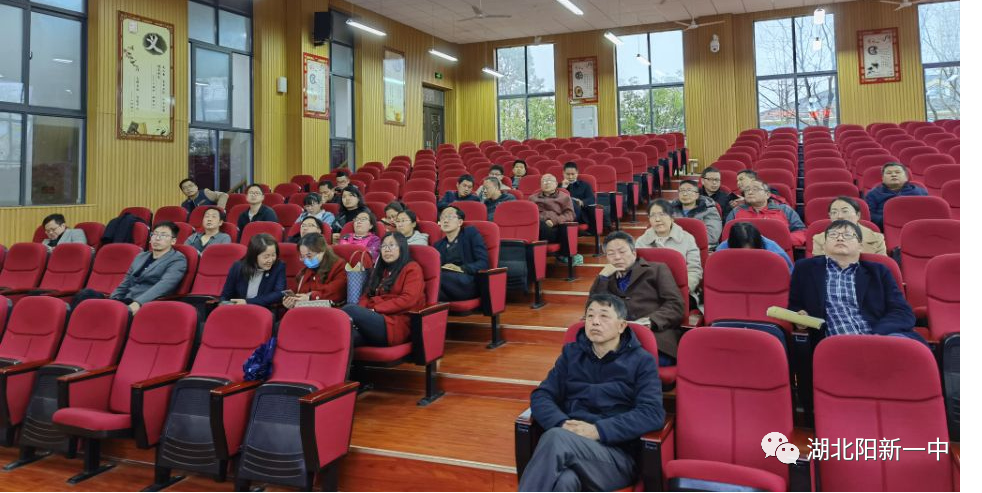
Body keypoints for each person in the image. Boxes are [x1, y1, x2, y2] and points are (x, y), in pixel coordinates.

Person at [519, 294, 664, 492]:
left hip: (616, 457)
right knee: (565, 482)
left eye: (604, 316)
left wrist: (597, 430)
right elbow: (541, 395)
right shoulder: (571, 354)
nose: (595, 321)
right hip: (570, 444)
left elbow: (652, 413)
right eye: (590, 316)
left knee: (555, 439)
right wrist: (562, 424)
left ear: (621, 326)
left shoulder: (642, 361)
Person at [789, 220, 923, 343]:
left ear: (860, 246)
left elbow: (901, 311)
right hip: (836, 342)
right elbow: (795, 306)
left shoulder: (879, 271)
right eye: (833, 235)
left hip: (883, 336)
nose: (840, 238)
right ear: (823, 246)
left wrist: (877, 337)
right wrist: (800, 317)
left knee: (906, 348)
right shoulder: (804, 269)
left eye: (847, 235)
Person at [589, 231, 685, 366]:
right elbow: (592, 308)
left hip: (654, 336)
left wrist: (650, 321)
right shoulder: (605, 278)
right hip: (616, 339)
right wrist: (602, 278)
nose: (617, 257)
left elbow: (676, 304)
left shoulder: (656, 269)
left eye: (622, 252)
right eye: (611, 254)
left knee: (616, 363)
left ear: (634, 253)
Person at [72, 222, 188, 313]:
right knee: (85, 295)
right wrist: (113, 300)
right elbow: (126, 282)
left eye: (163, 235)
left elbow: (163, 286)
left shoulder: (177, 259)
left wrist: (138, 303)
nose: (157, 238)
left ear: (173, 241)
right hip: (126, 300)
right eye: (155, 234)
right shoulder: (141, 256)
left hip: (147, 303)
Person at [341, 232, 426, 347]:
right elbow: (367, 295)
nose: (387, 249)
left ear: (402, 248)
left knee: (349, 309)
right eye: (384, 246)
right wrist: (364, 311)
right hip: (374, 320)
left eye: (391, 245)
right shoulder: (380, 269)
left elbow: (408, 300)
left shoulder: (412, 268)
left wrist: (375, 309)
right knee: (346, 336)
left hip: (395, 324)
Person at [636, 199, 702, 293]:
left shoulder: (687, 239)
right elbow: (638, 271)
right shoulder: (641, 242)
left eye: (662, 214)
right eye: (653, 215)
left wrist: (684, 288)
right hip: (650, 291)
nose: (657, 219)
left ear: (672, 217)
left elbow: (694, 270)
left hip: (680, 290)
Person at [725, 179, 806, 246]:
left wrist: (782, 241)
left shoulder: (784, 210)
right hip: (744, 252)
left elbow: (800, 231)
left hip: (777, 252)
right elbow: (727, 235)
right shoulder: (736, 211)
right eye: (747, 190)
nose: (750, 192)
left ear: (767, 194)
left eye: (755, 189)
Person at [434, 206, 489, 301]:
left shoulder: (470, 234)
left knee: (436, 279)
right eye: (442, 217)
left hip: (467, 282)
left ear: (460, 222)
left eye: (450, 217)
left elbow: (483, 263)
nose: (445, 221)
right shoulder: (438, 245)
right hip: (446, 284)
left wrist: (461, 268)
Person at [220, 233, 286, 308]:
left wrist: (247, 302)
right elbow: (226, 295)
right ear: (254, 255)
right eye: (266, 256)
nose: (270, 260)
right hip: (238, 309)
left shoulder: (278, 266)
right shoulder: (238, 267)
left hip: (264, 310)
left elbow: (279, 294)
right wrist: (224, 304)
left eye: (273, 255)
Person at [283, 233, 347, 308]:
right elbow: (298, 293)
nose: (306, 260)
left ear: (322, 251)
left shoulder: (339, 266)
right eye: (302, 256)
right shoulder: (305, 271)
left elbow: (336, 293)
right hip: (305, 310)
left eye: (309, 256)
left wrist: (310, 297)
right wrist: (291, 301)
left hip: (329, 311)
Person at [812, 196, 886, 256]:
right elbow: (819, 267)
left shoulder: (877, 239)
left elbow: (882, 266)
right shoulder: (819, 239)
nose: (839, 216)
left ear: (858, 215)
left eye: (845, 211)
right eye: (834, 212)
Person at [865, 162, 929, 229]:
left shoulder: (920, 192)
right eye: (889, 173)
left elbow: (927, 212)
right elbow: (870, 215)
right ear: (882, 178)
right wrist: (889, 221)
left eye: (898, 172)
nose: (893, 175)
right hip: (886, 228)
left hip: (917, 227)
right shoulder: (873, 194)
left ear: (906, 177)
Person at [716, 222, 794, 271]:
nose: (747, 257)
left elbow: (788, 275)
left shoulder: (775, 253)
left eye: (751, 251)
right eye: (742, 253)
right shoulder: (722, 250)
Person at [670, 179, 722, 249]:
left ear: (697, 195)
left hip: (701, 248)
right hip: (674, 247)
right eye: (682, 191)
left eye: (689, 191)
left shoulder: (709, 210)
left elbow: (712, 237)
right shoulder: (671, 210)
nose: (685, 194)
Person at [529, 174, 576, 245]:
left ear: (556, 184)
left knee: (564, 227)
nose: (546, 183)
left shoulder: (564, 197)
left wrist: (554, 221)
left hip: (556, 227)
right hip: (538, 227)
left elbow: (570, 214)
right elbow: (530, 215)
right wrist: (542, 220)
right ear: (540, 185)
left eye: (549, 181)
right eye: (544, 181)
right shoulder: (532, 198)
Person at [561, 162, 604, 234]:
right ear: (563, 173)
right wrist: (563, 188)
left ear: (577, 173)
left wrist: (581, 202)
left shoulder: (585, 185)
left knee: (572, 202)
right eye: (568, 174)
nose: (570, 177)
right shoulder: (558, 186)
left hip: (580, 214)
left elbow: (592, 199)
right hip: (562, 212)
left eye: (573, 174)